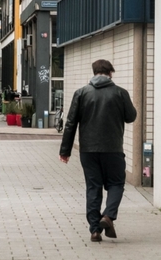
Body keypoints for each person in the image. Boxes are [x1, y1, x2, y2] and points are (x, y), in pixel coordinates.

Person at [59, 59, 137, 243]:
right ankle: (108, 217)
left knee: (93, 187)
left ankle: (95, 230)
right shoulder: (120, 93)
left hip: (88, 150)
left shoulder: (81, 93)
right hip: (113, 150)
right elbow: (131, 117)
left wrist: (65, 150)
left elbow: (70, 123)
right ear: (110, 72)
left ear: (94, 72)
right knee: (116, 184)